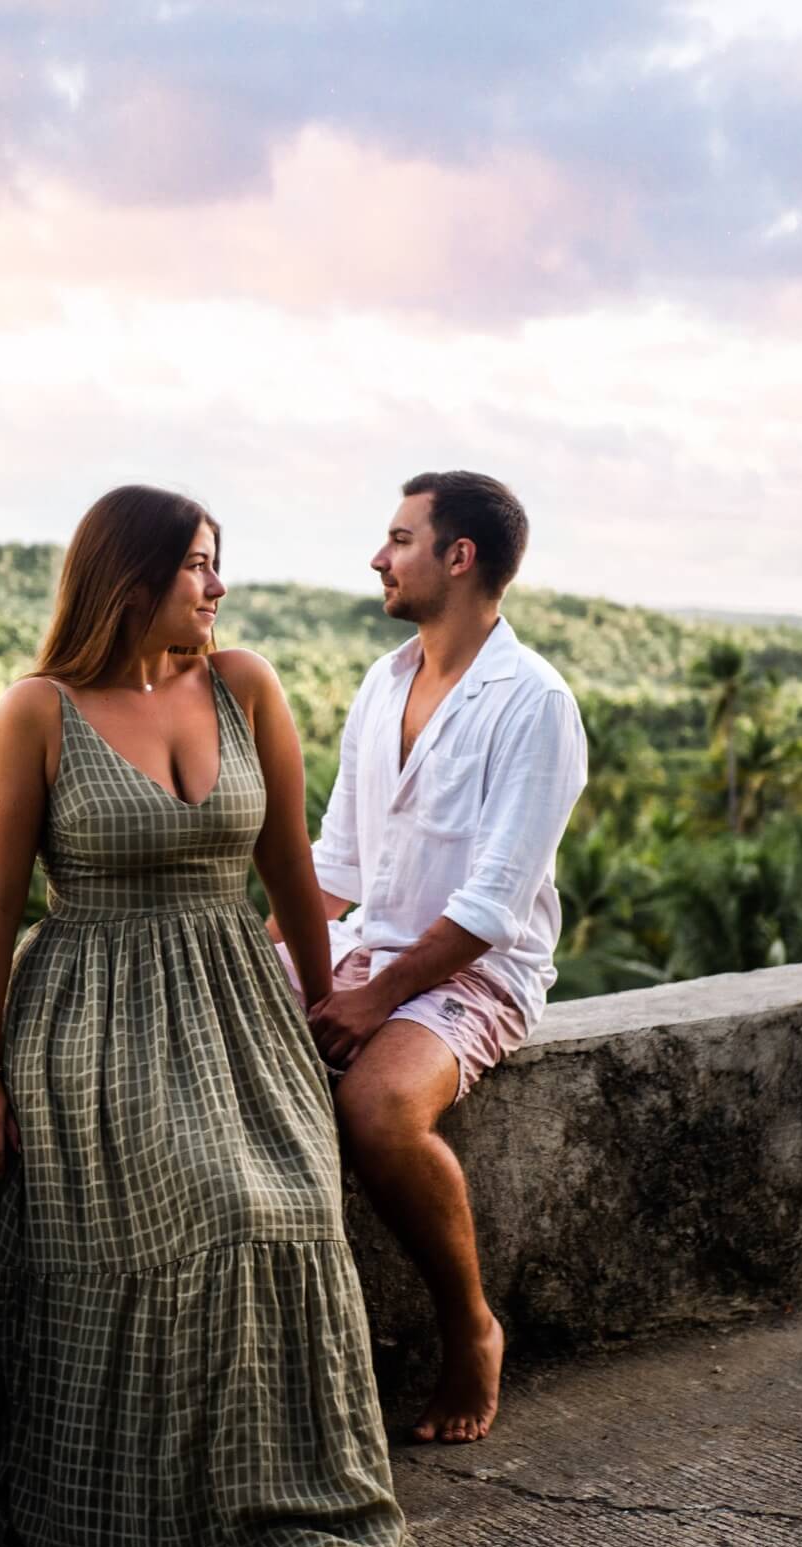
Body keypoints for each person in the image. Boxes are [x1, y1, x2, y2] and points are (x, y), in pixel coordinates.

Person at [0, 485, 427, 1547]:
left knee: (295, 1203)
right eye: (198, 565)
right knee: (217, 1205)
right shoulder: (38, 711)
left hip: (238, 1007)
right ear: (132, 576)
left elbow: (291, 872)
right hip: (94, 1015)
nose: (217, 586)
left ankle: (328, 1528)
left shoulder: (243, 685)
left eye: (218, 565)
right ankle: (210, 1531)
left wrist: (328, 1005)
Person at [269, 471, 587, 1447]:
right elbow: (336, 864)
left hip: (472, 972)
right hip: (372, 948)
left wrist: (376, 1003)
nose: (377, 556)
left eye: (398, 538)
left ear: (459, 557)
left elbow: (489, 907)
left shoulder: (532, 704)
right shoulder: (386, 681)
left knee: (375, 1106)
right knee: (212, 1027)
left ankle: (469, 1327)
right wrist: (259, 958)